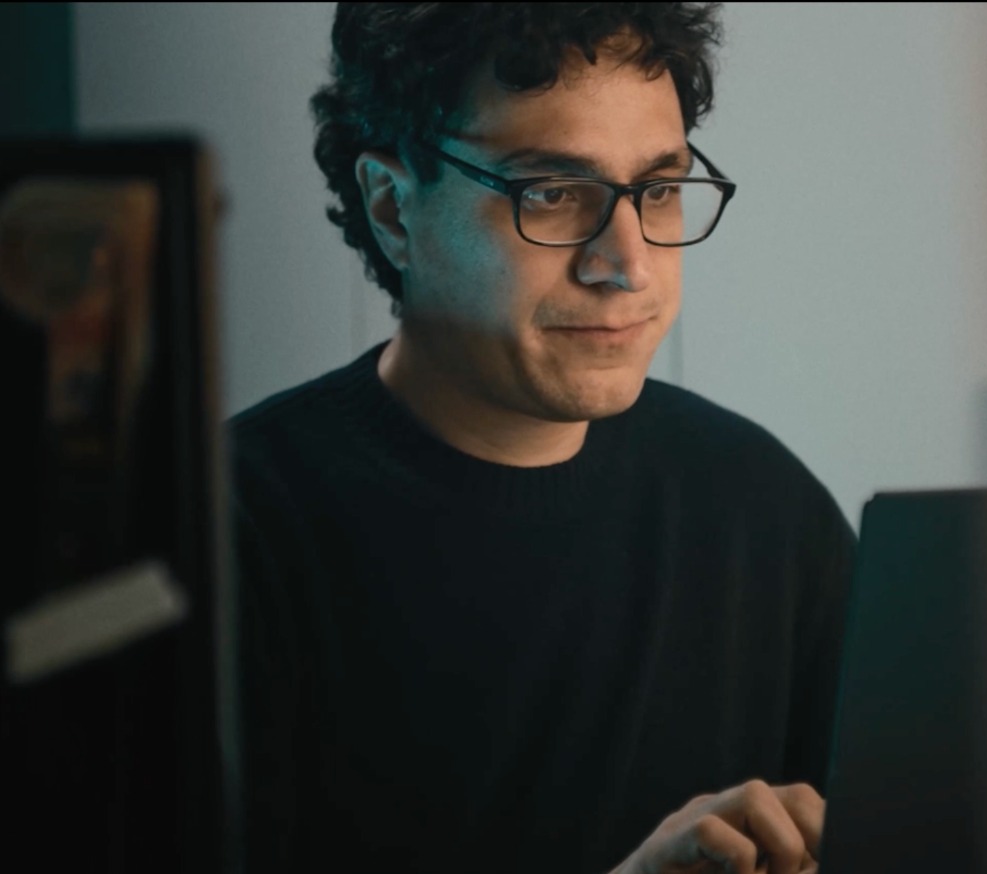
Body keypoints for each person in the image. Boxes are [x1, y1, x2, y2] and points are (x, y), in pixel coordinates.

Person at [228, 4, 855, 873]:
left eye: (659, 190)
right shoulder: (225, 535)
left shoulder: (767, 513)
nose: (628, 265)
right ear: (394, 208)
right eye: (553, 193)